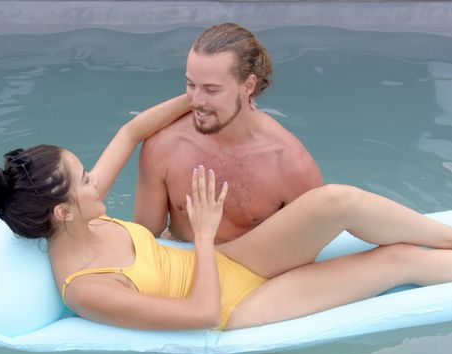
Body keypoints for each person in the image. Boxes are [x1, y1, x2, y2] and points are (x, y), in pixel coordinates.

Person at [0, 95, 452, 332]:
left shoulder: (82, 212)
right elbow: (198, 315)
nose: (95, 178)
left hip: (230, 261)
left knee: (335, 201)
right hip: (233, 307)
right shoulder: (89, 291)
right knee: (394, 263)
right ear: (59, 213)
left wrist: (206, 96)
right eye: (85, 179)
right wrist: (196, 234)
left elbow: (135, 128)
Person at [134, 23, 324, 244]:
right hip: (182, 268)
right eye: (191, 84)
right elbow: (144, 242)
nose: (196, 101)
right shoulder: (164, 145)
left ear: (248, 85)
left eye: (211, 89)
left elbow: (310, 251)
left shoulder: (290, 164)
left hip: (252, 273)